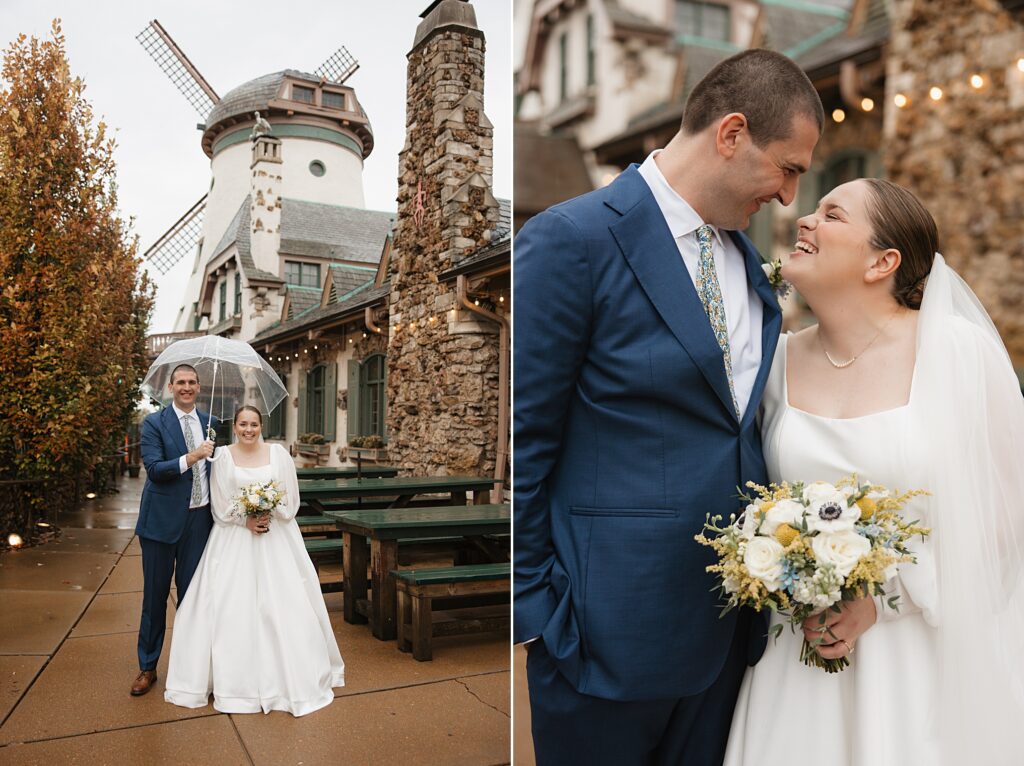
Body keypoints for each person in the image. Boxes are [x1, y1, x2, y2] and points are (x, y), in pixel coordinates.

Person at [513, 49, 822, 765]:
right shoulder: (573, 238)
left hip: (727, 643)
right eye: (789, 167)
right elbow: (525, 435)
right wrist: (537, 615)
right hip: (601, 638)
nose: (787, 197)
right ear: (731, 133)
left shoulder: (746, 262)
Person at [724, 179, 1024, 765]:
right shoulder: (776, 361)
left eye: (831, 214)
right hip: (800, 656)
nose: (804, 220)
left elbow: (1007, 521)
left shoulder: (957, 352)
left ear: (882, 261)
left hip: (919, 655)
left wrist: (883, 600)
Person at [164, 405, 344, 716]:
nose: (249, 430)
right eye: (243, 424)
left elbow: (291, 500)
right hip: (234, 539)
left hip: (276, 537)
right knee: (231, 606)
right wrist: (245, 519)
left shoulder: (279, 455)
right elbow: (220, 505)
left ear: (262, 426)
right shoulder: (220, 456)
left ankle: (291, 677)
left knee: (285, 605)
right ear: (234, 427)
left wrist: (267, 511)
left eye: (254, 424)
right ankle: (235, 683)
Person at [132, 363, 216, 697]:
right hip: (160, 523)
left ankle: (188, 667)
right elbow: (154, 470)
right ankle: (147, 666)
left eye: (191, 382)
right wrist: (192, 456)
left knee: (192, 599)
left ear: (198, 386)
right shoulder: (153, 423)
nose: (186, 387)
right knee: (154, 598)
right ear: (170, 387)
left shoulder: (211, 422)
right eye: (180, 382)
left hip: (200, 522)